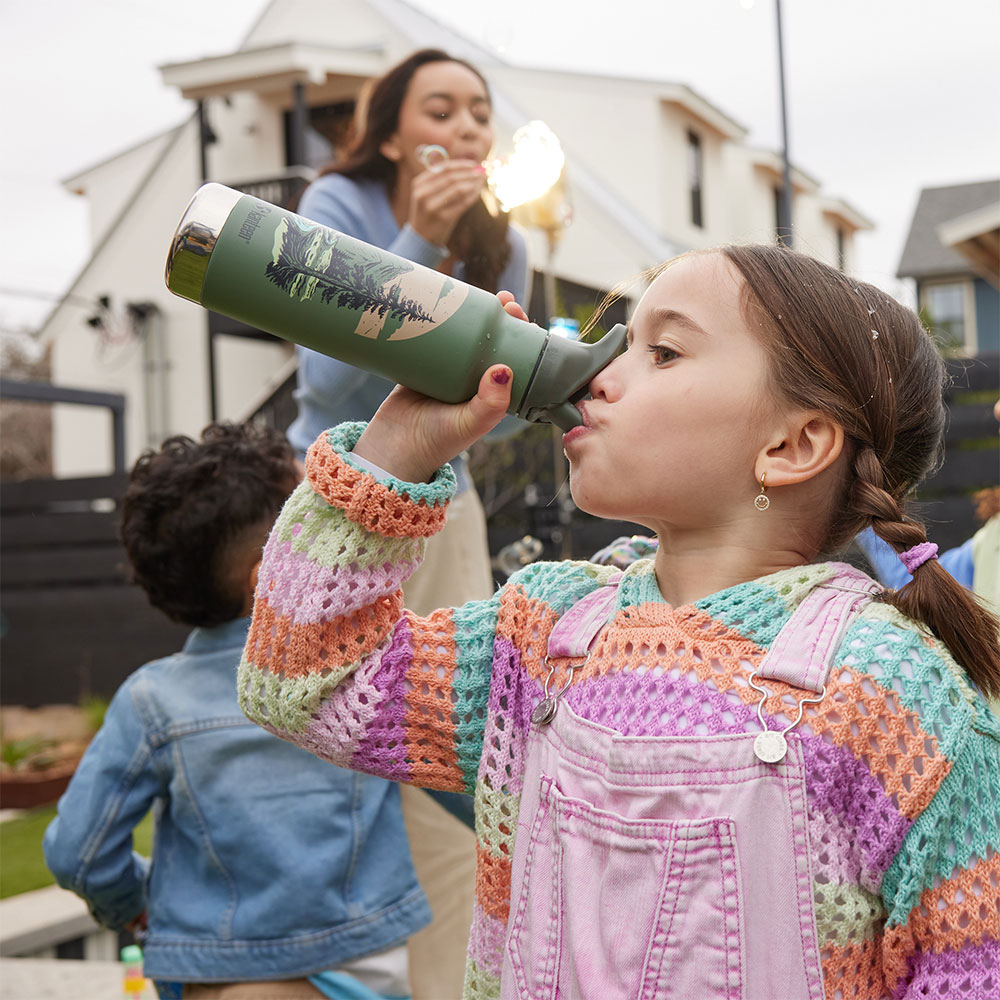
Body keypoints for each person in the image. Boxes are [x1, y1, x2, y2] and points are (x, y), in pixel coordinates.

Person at [238, 245, 1000, 999]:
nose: (597, 372)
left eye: (662, 352)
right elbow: (308, 680)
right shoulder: (540, 635)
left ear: (791, 446)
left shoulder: (896, 699)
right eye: (623, 342)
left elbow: (970, 970)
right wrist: (396, 451)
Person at [286, 48, 530, 999]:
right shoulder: (336, 212)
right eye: (442, 110)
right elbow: (329, 385)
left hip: (444, 500)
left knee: (445, 745)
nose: (468, 127)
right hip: (346, 497)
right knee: (320, 730)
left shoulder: (495, 233)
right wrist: (413, 247)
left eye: (479, 111)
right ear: (389, 132)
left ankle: (454, 979)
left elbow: (484, 387)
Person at [44, 423, 431, 1000]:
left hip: (213, 968)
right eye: (316, 526)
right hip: (356, 965)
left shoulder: (152, 702)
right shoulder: (365, 672)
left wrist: (140, 905)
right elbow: (469, 777)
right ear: (266, 576)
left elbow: (77, 852)